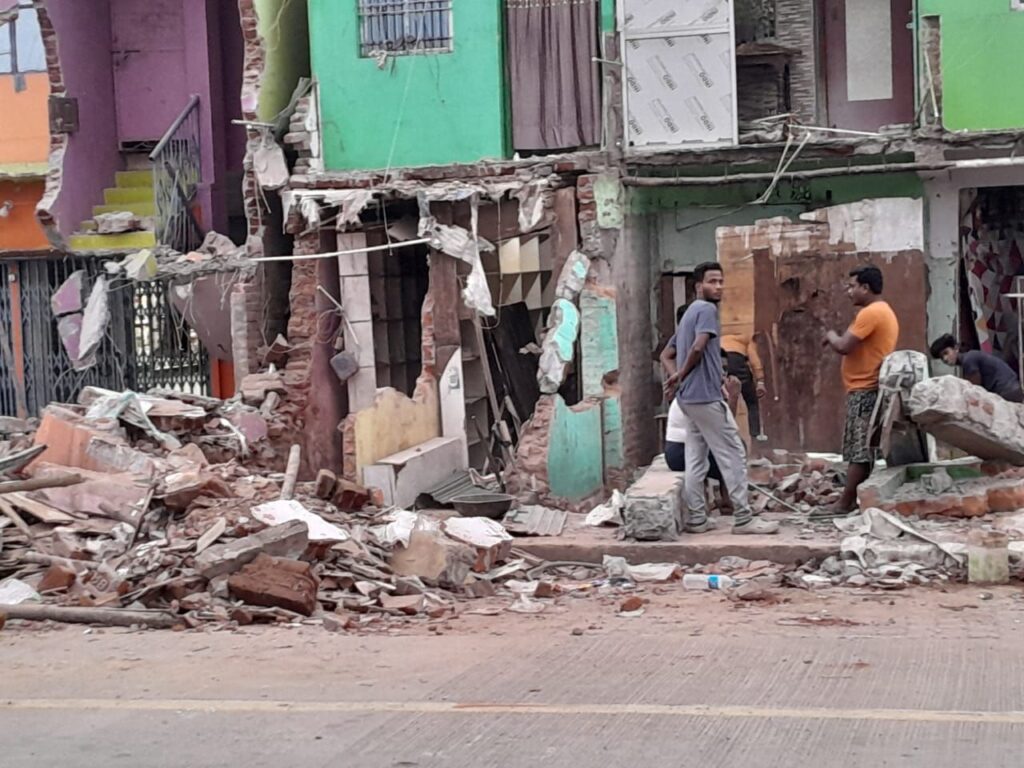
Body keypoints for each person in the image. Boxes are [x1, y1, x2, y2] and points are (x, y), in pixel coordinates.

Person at [661, 262, 779, 535]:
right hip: (704, 396)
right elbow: (698, 347)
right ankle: (744, 519)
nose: (718, 287)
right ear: (698, 286)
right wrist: (681, 375)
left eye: (721, 281)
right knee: (734, 452)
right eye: (712, 281)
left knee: (696, 457)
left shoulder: (689, 313)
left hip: (688, 399)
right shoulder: (706, 310)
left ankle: (697, 519)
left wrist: (677, 377)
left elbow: (666, 354)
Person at [818, 266, 899, 518]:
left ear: (866, 287)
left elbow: (844, 345)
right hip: (865, 388)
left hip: (866, 389)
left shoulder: (871, 313)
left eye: (852, 286)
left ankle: (845, 503)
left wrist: (831, 335)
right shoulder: (881, 311)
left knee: (860, 451)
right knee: (862, 449)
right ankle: (854, 499)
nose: (849, 291)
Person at [928, 334, 1024, 403]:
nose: (945, 359)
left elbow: (974, 390)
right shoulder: (969, 358)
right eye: (941, 357)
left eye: (946, 353)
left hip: (1007, 391)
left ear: (956, 348)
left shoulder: (968, 360)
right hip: (1011, 389)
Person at [721, 332, 767, 439]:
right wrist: (760, 381)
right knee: (752, 402)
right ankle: (755, 435)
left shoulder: (720, 340)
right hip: (738, 362)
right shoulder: (748, 341)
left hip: (722, 362)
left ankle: (725, 431)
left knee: (724, 400)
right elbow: (755, 361)